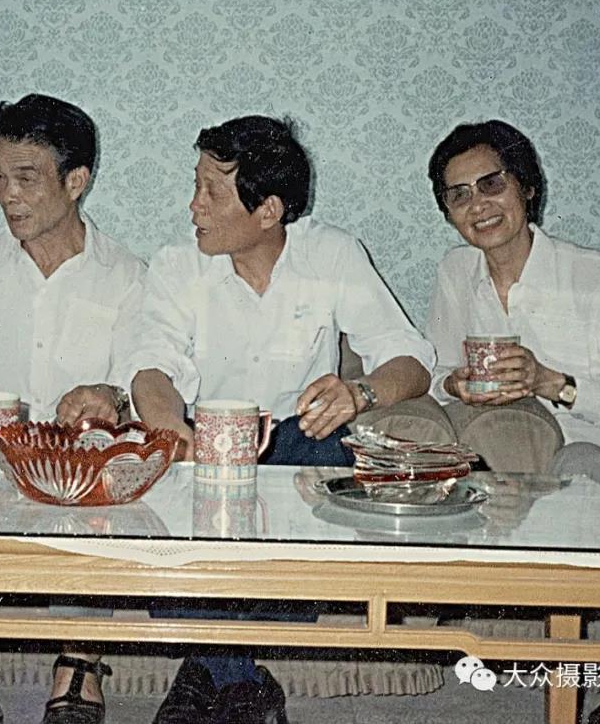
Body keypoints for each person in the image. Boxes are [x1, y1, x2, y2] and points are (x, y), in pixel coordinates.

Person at [122, 115, 436, 724]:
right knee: (154, 527)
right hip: (205, 444)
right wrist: (171, 431)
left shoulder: (331, 254)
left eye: (211, 191)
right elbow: (151, 366)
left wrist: (360, 393)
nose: (193, 206)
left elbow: (411, 356)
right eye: (196, 185)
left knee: (327, 489)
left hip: (297, 444)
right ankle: (243, 685)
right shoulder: (177, 265)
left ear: (268, 210)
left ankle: (205, 674)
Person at [0, 93, 144, 724]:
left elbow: (139, 378)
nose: (7, 196)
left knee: (107, 464)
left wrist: (111, 398)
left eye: (26, 178)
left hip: (75, 450)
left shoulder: (126, 273)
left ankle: (79, 658)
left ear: (76, 181)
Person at [424, 119, 600, 544]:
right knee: (577, 475)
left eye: (492, 184)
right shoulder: (456, 272)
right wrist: (454, 384)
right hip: (566, 446)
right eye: (459, 195)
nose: (478, 205)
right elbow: (434, 372)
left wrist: (548, 381)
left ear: (527, 187)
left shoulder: (598, 274)